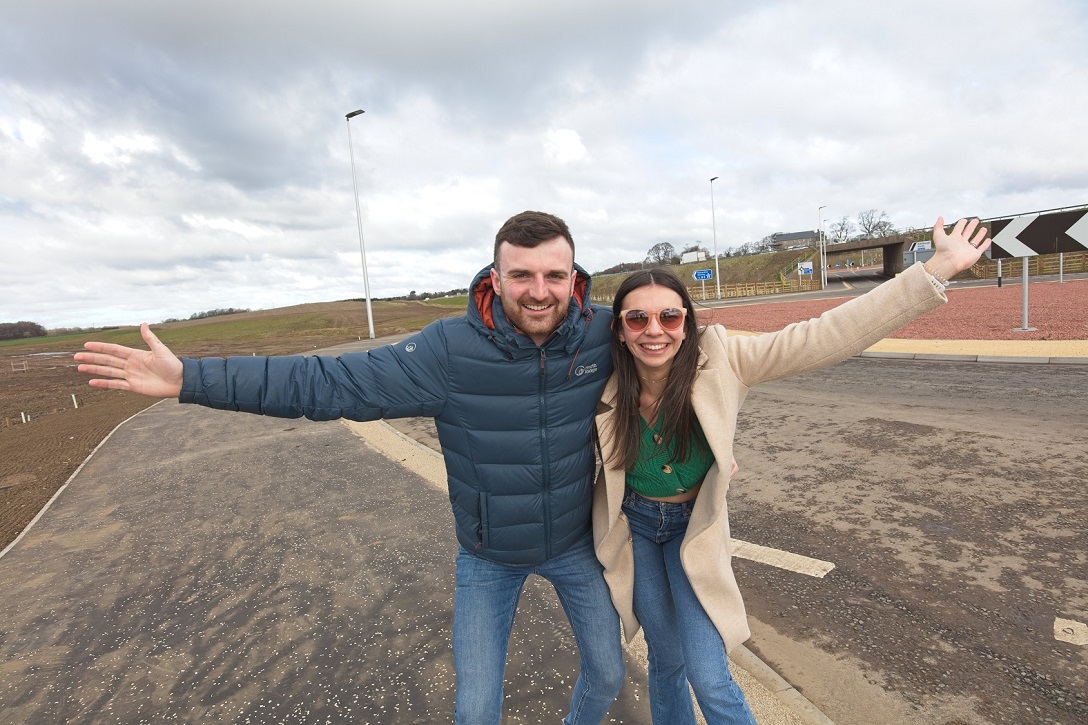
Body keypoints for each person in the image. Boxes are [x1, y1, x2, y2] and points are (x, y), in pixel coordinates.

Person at [75, 211, 625, 725]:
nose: (538, 291)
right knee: (476, 709)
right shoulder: (447, 352)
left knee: (607, 675)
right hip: (488, 555)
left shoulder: (602, 332)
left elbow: (672, 346)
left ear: (574, 277)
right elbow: (326, 382)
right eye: (521, 275)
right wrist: (191, 380)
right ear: (495, 279)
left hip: (575, 545)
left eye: (554, 275)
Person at [592, 217, 991, 723]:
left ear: (687, 323)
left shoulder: (722, 357)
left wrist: (934, 271)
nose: (654, 331)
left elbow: (823, 336)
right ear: (619, 329)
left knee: (709, 674)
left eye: (670, 317)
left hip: (693, 530)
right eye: (637, 319)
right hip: (638, 529)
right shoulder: (598, 379)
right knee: (664, 660)